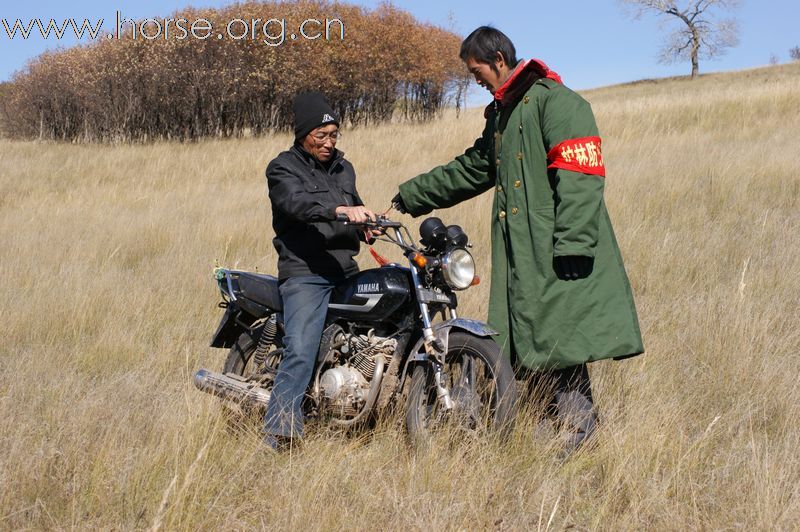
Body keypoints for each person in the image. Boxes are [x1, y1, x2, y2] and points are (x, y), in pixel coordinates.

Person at [392, 27, 644, 451]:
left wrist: (573, 245)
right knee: (533, 335)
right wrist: (410, 195)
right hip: (524, 254)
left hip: (556, 250)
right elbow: (472, 168)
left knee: (561, 339)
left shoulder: (558, 102)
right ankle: (550, 427)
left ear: (498, 59)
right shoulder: (503, 115)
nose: (474, 80)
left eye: (476, 71)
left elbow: (582, 179)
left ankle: (580, 433)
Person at [263, 91, 377, 449]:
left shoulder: (344, 168)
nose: (329, 143)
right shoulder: (282, 167)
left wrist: (367, 223)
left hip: (346, 268)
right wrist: (339, 212)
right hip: (305, 271)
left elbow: (355, 205)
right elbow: (296, 204)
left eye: (334, 135)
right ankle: (279, 435)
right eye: (321, 135)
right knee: (301, 347)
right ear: (303, 134)